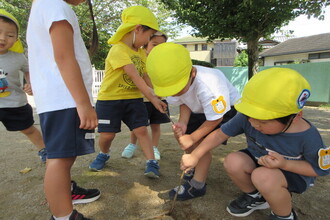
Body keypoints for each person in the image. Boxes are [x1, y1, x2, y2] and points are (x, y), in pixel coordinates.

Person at [180, 67, 330, 220]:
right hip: (261, 162)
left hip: (293, 173)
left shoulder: (308, 136)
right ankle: (256, 197)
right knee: (233, 161)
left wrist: (284, 164)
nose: (253, 124)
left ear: (295, 117)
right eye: (250, 117)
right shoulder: (248, 118)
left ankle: (284, 216)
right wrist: (195, 155)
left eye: (263, 121)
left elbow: (320, 169)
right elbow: (219, 134)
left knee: (263, 176)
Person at [27, 0, 101, 219]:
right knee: (61, 159)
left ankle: (66, 194)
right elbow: (64, 56)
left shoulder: (43, 4)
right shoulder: (55, 5)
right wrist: (83, 103)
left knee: (60, 156)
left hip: (58, 97)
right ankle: (63, 216)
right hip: (65, 98)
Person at [146, 42, 241, 200]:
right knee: (185, 136)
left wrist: (193, 137)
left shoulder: (209, 86)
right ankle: (194, 165)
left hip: (224, 110)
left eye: (177, 89)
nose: (174, 94)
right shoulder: (176, 80)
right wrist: (183, 122)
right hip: (199, 108)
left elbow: (216, 118)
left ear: (192, 73)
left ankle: (198, 185)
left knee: (200, 145)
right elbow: (184, 100)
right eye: (170, 91)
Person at [89, 6, 167, 178]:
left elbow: (145, 76)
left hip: (133, 99)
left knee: (141, 131)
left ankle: (151, 162)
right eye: (148, 36)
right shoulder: (118, 49)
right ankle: (104, 153)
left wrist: (158, 93)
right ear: (138, 29)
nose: (147, 41)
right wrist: (153, 100)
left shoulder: (140, 53)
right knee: (107, 135)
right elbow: (135, 77)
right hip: (109, 100)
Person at [0, 9, 47, 163]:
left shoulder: (18, 58)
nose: (3, 38)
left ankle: (44, 150)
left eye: (10, 35)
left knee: (28, 129)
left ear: (16, 39)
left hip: (14, 103)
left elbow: (29, 70)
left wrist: (30, 83)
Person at [121, 31, 170, 160]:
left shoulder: (166, 61)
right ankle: (132, 145)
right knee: (137, 126)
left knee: (156, 125)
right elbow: (139, 77)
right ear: (146, 45)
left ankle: (154, 147)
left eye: (162, 45)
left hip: (160, 98)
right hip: (141, 98)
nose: (157, 48)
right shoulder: (140, 58)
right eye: (154, 44)